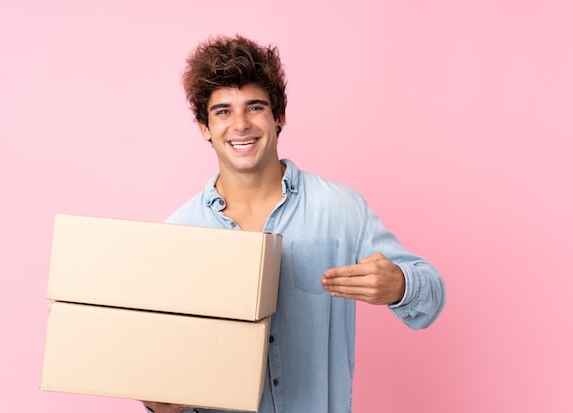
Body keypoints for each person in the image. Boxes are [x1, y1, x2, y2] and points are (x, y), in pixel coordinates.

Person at [142, 35, 445, 413]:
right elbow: (163, 362)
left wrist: (400, 284)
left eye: (255, 107)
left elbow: (431, 299)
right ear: (204, 127)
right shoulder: (177, 233)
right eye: (222, 112)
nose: (240, 124)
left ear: (279, 116)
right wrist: (158, 402)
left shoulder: (341, 210)